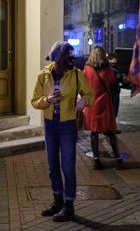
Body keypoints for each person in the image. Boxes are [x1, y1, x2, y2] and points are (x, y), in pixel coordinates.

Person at [31, 41, 94, 222]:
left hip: (67, 125)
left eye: (69, 56)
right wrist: (48, 99)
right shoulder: (43, 76)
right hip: (50, 125)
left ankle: (69, 206)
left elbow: (89, 95)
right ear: (57, 58)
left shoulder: (76, 75)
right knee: (52, 166)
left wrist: (83, 102)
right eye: (65, 57)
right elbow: (34, 101)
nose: (69, 60)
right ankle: (57, 201)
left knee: (68, 166)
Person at [83, 46, 123, 170]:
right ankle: (117, 158)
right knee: (110, 131)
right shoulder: (108, 68)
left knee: (94, 133)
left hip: (92, 103)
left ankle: (96, 160)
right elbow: (112, 81)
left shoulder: (87, 69)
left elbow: (84, 85)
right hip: (105, 102)